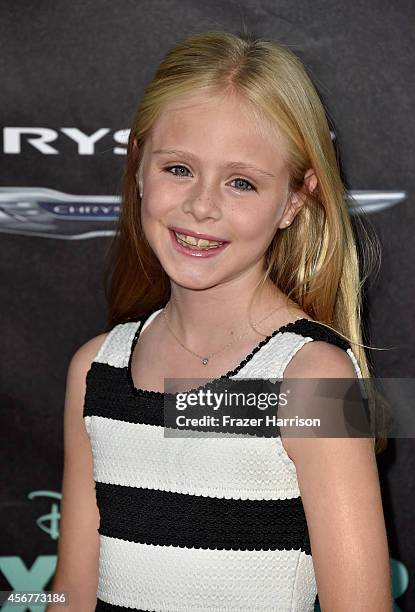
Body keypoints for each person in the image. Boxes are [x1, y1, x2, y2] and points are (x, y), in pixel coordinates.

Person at [49, 30, 392, 611]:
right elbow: (69, 596)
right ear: (138, 167)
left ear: (294, 201)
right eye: (179, 169)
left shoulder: (314, 382)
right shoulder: (95, 369)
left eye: (241, 182)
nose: (202, 206)